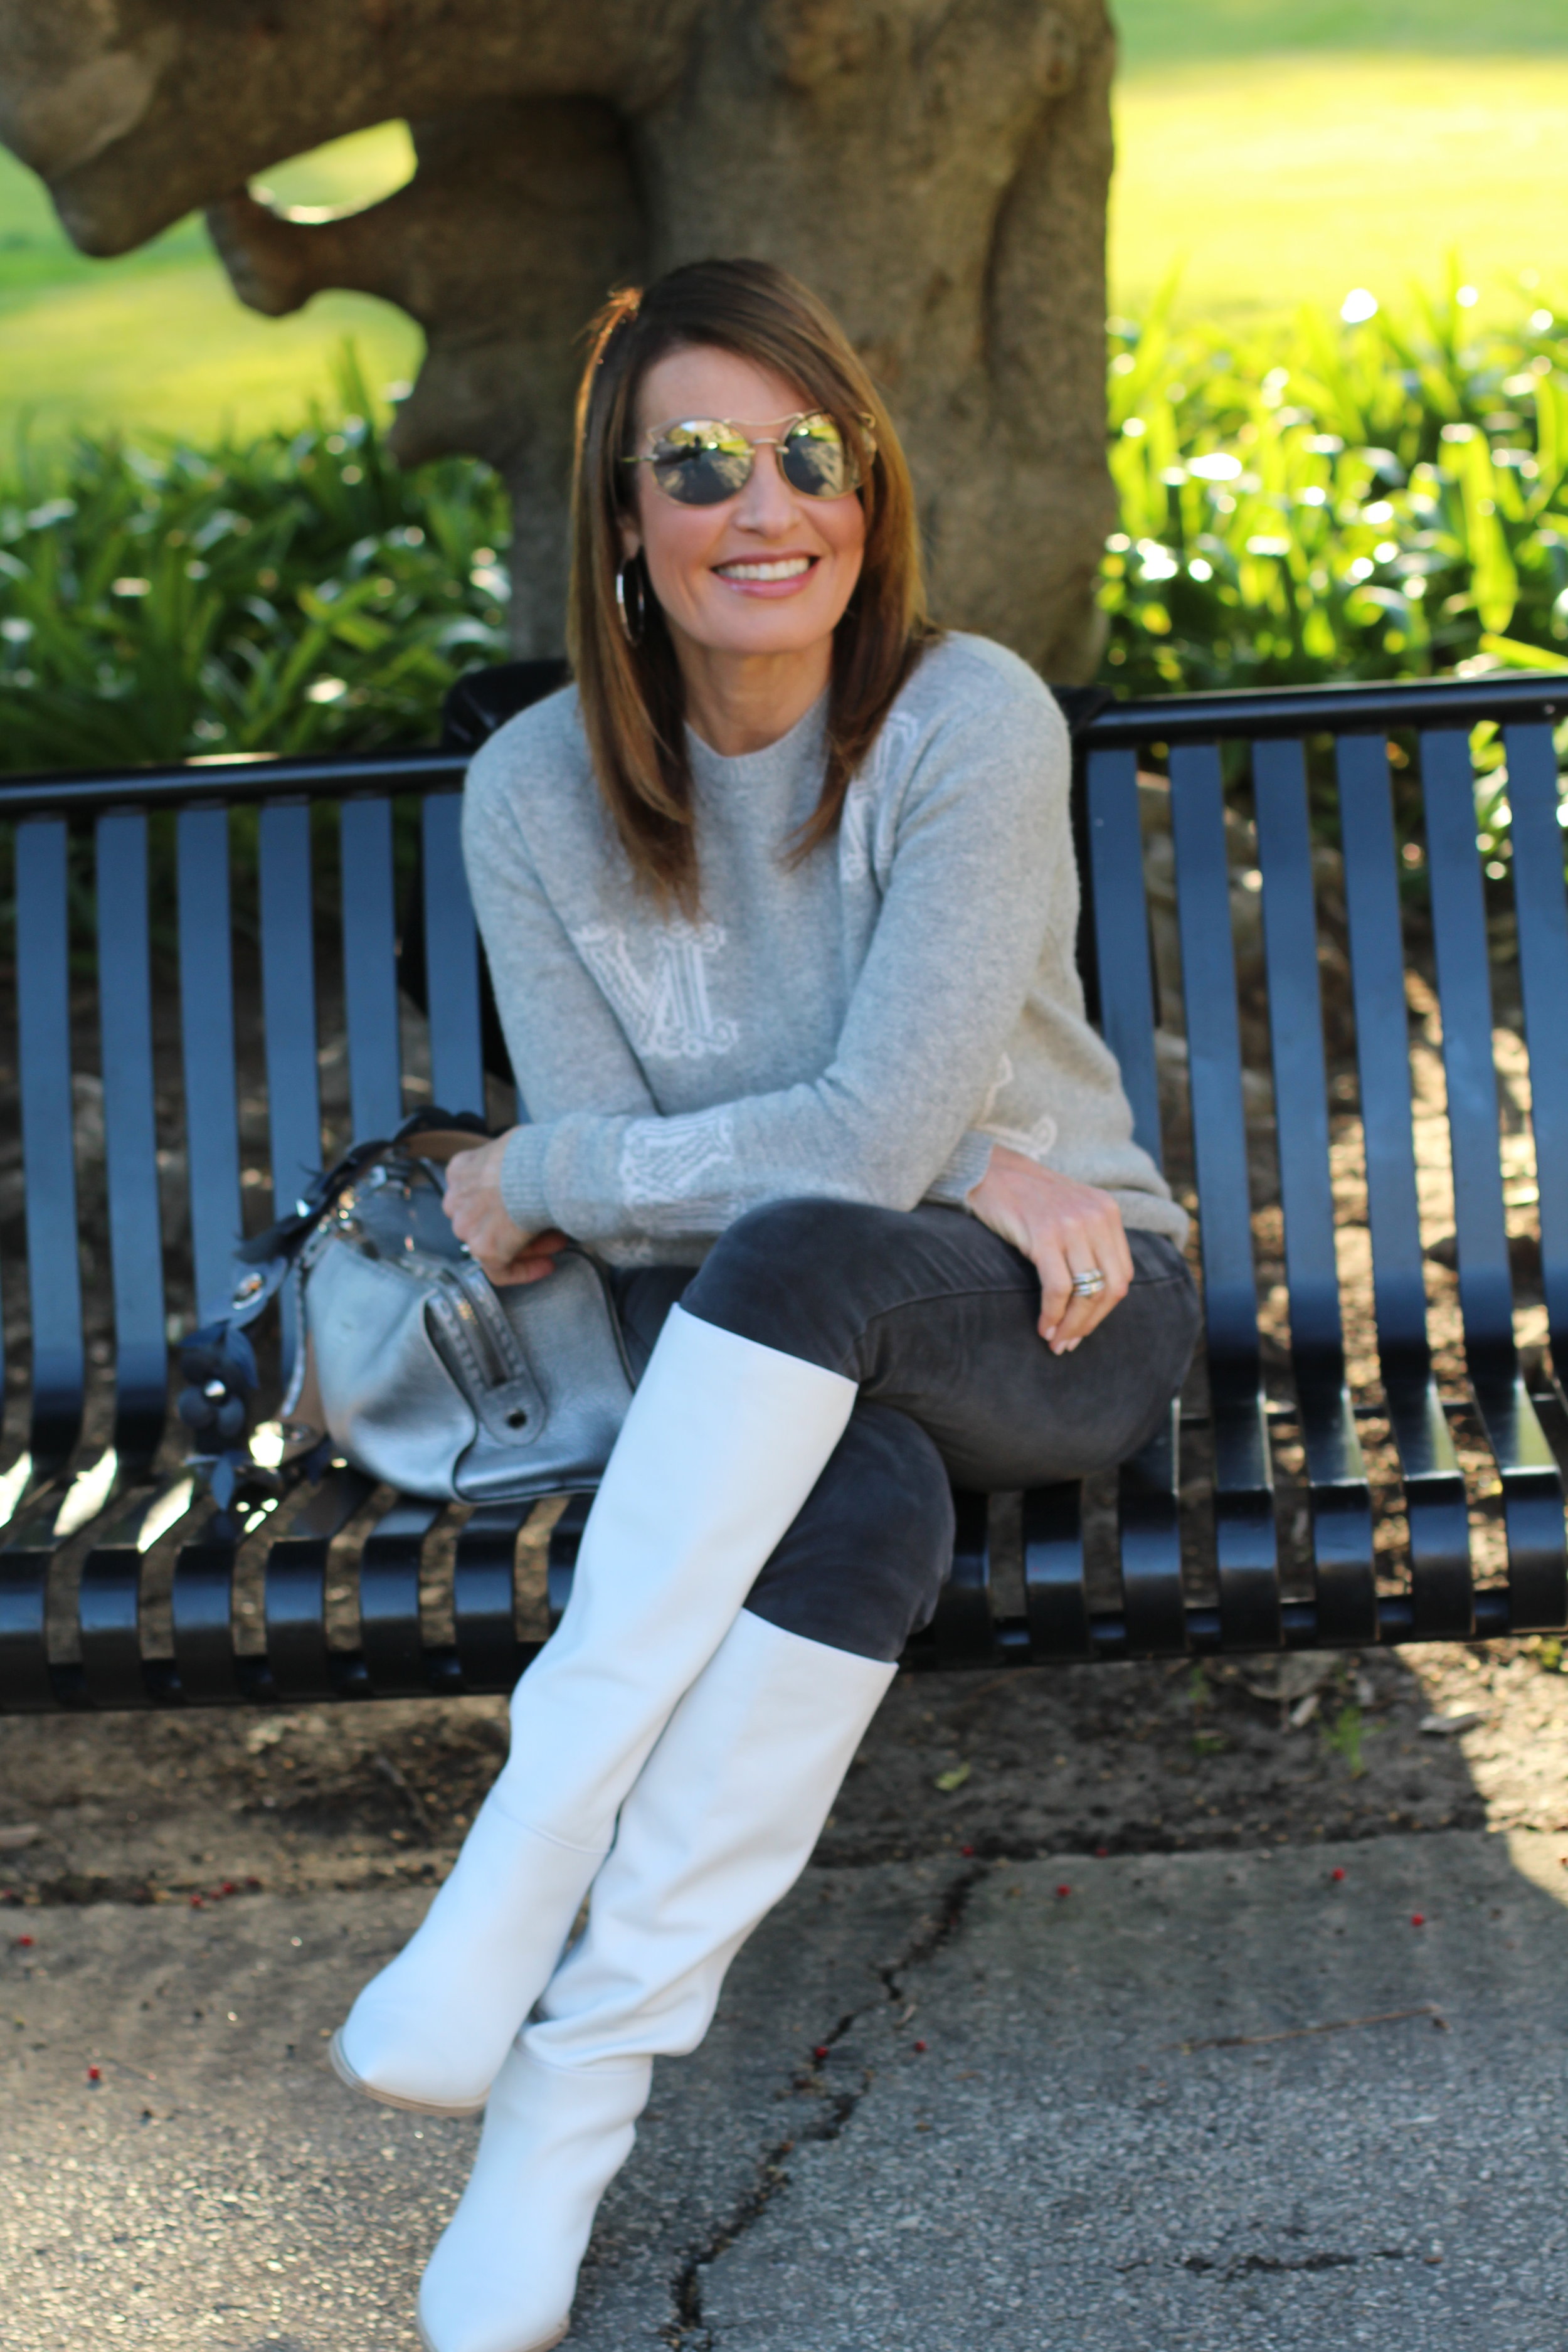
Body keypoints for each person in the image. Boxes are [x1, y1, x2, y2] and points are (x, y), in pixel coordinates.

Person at [330, 257, 1198, 2352]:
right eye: (696, 464)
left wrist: (547, 1166)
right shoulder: (537, 791)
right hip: (763, 1345)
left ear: (869, 492)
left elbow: (678, 1165)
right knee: (848, 1481)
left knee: (802, 1245)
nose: (761, 507)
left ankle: (516, 1876)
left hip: (1062, 1301)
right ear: (621, 523)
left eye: (806, 455)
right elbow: (737, 1190)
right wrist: (895, 1142)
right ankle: (568, 2095)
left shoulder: (963, 717)